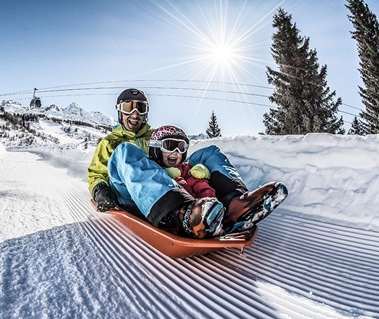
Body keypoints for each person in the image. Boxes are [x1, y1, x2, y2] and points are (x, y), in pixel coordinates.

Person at [88, 88, 285, 239]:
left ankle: (235, 203)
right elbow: (96, 174)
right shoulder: (110, 143)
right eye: (128, 107)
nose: (135, 114)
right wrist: (99, 190)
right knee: (125, 151)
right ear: (119, 112)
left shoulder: (155, 136)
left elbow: (176, 156)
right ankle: (182, 215)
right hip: (130, 191)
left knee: (210, 153)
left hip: (165, 183)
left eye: (141, 108)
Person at [148, 125, 216, 199]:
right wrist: (165, 174)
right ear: (156, 149)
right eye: (169, 146)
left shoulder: (185, 171)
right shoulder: (150, 170)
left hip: (194, 207)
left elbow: (200, 186)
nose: (175, 151)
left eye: (181, 147)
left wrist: (207, 199)